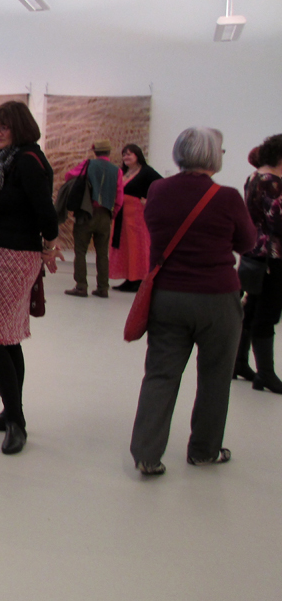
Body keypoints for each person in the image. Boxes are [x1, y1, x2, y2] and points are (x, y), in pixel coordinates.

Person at [129, 128, 256, 476]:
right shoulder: (228, 197)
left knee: (160, 374)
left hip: (167, 296)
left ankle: (146, 454)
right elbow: (247, 243)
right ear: (215, 157)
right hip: (217, 298)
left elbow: (155, 228)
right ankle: (204, 450)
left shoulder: (157, 189)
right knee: (215, 376)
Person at [0, 101, 60, 455]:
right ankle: (10, 413)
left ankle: (16, 421)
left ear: (20, 127)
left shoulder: (26, 161)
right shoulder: (12, 160)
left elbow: (47, 216)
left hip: (14, 258)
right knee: (6, 339)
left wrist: (50, 249)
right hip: (4, 253)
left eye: (5, 126)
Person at [235, 134, 282, 391]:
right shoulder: (272, 182)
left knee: (252, 307)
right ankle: (265, 373)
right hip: (272, 257)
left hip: (254, 252)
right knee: (268, 312)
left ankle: (239, 362)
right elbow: (278, 221)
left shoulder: (255, 177)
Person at [64, 139, 124, 298]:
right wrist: (113, 214)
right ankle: (103, 287)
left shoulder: (88, 164)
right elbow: (119, 197)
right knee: (103, 253)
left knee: (80, 250)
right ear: (109, 152)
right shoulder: (117, 171)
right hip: (105, 215)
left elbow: (69, 175)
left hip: (86, 212)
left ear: (94, 151)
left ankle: (81, 286)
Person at [109, 144, 162, 292]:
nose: (126, 157)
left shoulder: (146, 172)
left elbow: (161, 185)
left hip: (137, 217)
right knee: (125, 247)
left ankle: (138, 279)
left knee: (137, 247)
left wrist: (148, 200)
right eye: (124, 154)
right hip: (122, 216)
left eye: (129, 154)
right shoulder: (123, 172)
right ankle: (129, 278)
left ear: (137, 155)